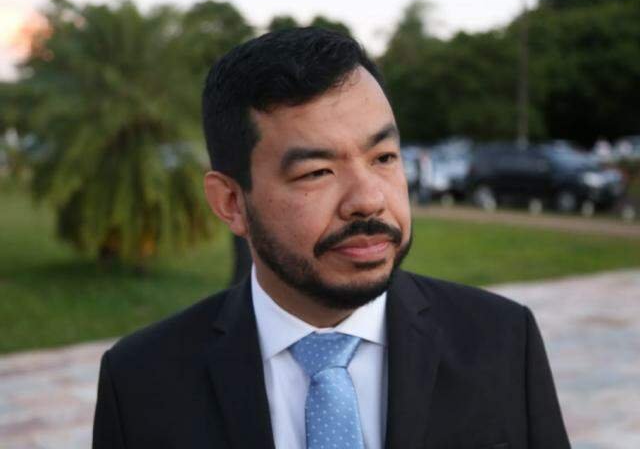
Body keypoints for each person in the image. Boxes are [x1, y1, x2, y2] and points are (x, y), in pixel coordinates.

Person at [93, 27, 570, 449]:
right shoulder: (140, 382)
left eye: (383, 158)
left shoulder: (503, 341)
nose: (368, 200)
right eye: (317, 172)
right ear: (232, 202)